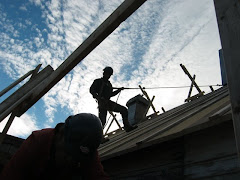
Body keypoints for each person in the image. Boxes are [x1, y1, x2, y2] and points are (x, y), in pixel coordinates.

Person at [0, 113, 109, 180]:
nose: (70, 161)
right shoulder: (37, 141)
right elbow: (11, 175)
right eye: (68, 154)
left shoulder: (87, 150)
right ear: (60, 136)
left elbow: (97, 176)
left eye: (76, 158)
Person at [90, 66, 137, 134]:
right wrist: (98, 98)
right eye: (106, 73)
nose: (107, 75)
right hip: (102, 103)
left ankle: (127, 127)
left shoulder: (109, 85)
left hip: (108, 102)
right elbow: (92, 90)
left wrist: (118, 90)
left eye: (109, 74)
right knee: (102, 121)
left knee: (123, 110)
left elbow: (111, 94)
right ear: (104, 73)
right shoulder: (98, 81)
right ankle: (98, 137)